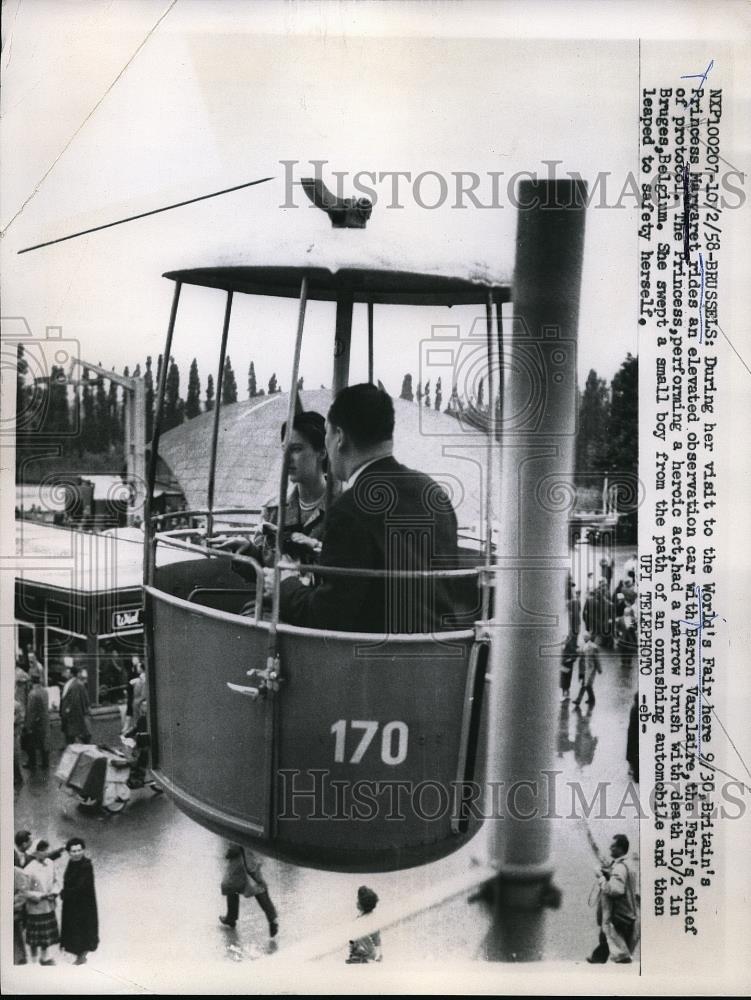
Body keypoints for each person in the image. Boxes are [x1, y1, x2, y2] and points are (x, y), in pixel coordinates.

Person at [276, 384, 459, 633]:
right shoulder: (433, 492)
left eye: (327, 434)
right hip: (440, 657)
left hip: (377, 663)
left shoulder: (349, 509)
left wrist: (286, 584)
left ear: (339, 437)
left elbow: (325, 617)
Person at [586, 834, 639, 964]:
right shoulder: (628, 865)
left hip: (618, 914)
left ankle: (607, 959)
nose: (610, 848)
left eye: (613, 846)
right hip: (627, 912)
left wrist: (601, 878)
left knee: (610, 935)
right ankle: (598, 958)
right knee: (606, 937)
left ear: (621, 849)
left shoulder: (620, 867)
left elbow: (616, 890)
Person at [219, 843, 279, 938]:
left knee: (230, 884)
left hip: (240, 858)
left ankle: (231, 917)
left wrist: (229, 853)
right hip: (250, 854)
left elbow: (235, 842)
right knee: (257, 886)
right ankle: (272, 918)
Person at [60, 837, 99, 965]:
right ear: (69, 853)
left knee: (83, 930)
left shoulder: (86, 865)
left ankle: (81, 957)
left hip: (84, 905)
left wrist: (64, 893)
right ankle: (77, 955)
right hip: (72, 904)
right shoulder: (71, 863)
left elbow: (81, 886)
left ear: (83, 850)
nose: (77, 853)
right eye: (73, 851)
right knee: (73, 929)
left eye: (79, 850)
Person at [24, 839, 60, 964]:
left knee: (46, 938)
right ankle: (34, 962)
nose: (46, 853)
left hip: (49, 906)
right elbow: (24, 892)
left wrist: (55, 892)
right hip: (36, 909)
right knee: (35, 940)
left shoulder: (50, 863)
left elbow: (55, 880)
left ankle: (44, 957)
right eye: (42, 850)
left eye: (46, 849)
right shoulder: (29, 869)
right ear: (36, 853)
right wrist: (42, 896)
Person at [346, 885, 382, 963]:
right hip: (363, 953)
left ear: (361, 904)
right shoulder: (362, 917)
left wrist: (378, 956)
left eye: (358, 900)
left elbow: (376, 939)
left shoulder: (367, 920)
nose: (356, 902)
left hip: (366, 954)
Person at [26, 670, 52, 771]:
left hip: (36, 723)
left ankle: (32, 762)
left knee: (31, 743)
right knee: (44, 742)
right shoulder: (45, 691)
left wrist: (28, 725)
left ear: (31, 682)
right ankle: (45, 762)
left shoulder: (32, 694)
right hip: (44, 720)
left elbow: (31, 711)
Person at [61, 667, 92, 744]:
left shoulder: (74, 684)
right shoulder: (77, 684)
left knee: (72, 736)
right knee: (77, 735)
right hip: (74, 714)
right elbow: (85, 700)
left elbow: (74, 701)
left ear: (71, 674)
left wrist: (66, 711)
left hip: (72, 715)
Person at [573, 632, 602, 709]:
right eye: (583, 637)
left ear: (588, 638)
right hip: (586, 669)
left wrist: (599, 669)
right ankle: (592, 699)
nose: (584, 639)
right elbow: (579, 652)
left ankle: (578, 700)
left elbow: (597, 659)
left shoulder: (593, 647)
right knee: (588, 685)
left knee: (585, 684)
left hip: (591, 669)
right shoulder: (584, 646)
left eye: (585, 637)